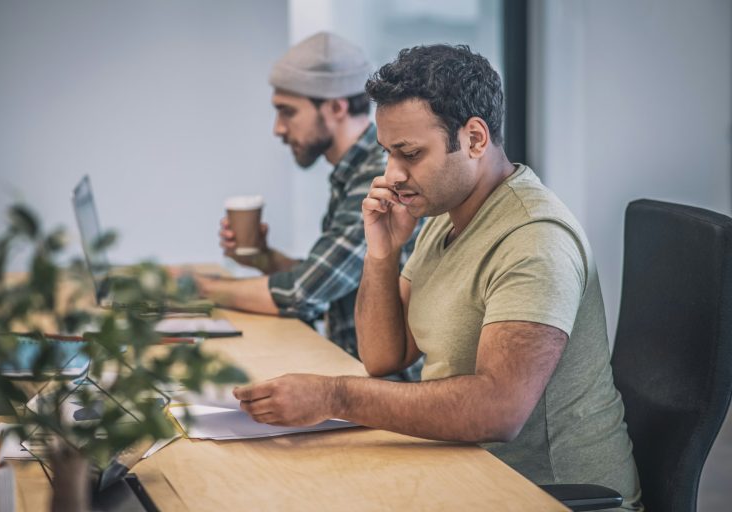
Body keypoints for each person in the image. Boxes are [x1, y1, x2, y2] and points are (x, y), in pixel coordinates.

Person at [231, 44, 643, 509]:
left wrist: (333, 396)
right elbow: (385, 356)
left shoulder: (535, 239)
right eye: (388, 153)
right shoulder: (444, 215)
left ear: (474, 139)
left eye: (409, 154)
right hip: (465, 469)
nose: (394, 175)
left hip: (544, 495)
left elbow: (498, 410)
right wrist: (381, 253)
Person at [194, 32, 418, 362]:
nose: (278, 129)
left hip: (387, 386)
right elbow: (330, 278)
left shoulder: (379, 175)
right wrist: (262, 259)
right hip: (352, 365)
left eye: (287, 112)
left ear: (336, 107)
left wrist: (196, 289)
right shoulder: (351, 171)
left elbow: (303, 294)